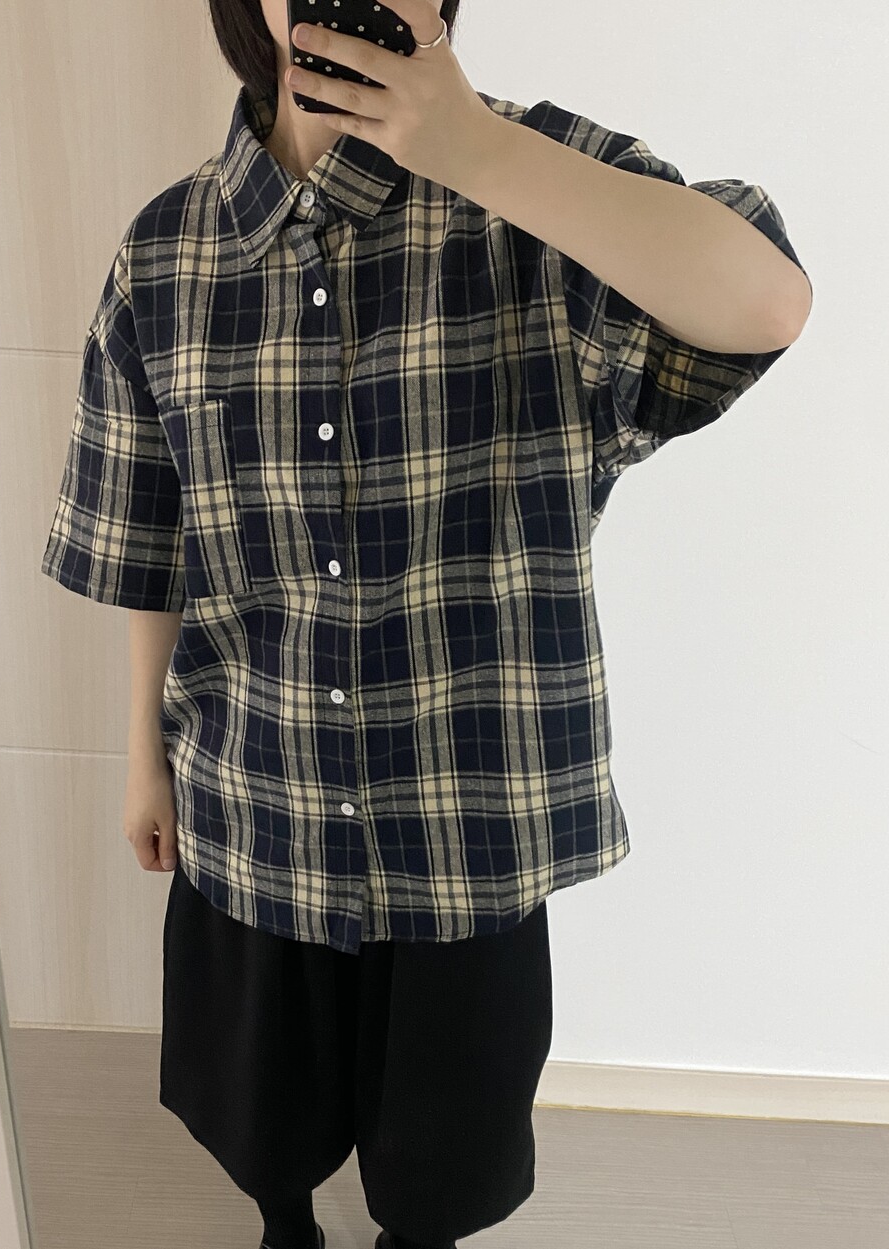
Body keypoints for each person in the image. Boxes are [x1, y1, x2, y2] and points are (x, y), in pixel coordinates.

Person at [40, 1, 812, 1246]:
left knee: (443, 1158)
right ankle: (284, 1227)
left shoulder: (539, 195)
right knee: (261, 1113)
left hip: (469, 817)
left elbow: (766, 303)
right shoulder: (167, 251)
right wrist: (144, 754)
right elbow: (148, 535)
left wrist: (476, 150)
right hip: (257, 795)